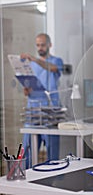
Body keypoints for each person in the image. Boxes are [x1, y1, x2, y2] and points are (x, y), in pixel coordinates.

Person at [20, 33, 64, 168]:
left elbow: (51, 68)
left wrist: (33, 59)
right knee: (27, 148)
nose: (40, 48)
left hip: (49, 111)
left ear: (49, 45)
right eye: (37, 45)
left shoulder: (56, 61)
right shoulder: (31, 65)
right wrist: (26, 90)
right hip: (32, 110)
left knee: (51, 150)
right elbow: (28, 83)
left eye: (42, 45)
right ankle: (25, 179)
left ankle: (52, 180)